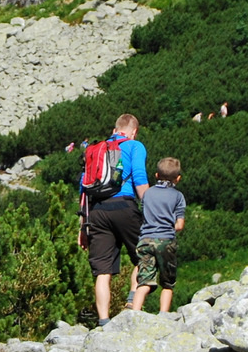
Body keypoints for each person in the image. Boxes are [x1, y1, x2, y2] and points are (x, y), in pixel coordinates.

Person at [78, 114, 148, 326]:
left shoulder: (95, 150)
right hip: (124, 205)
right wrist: (151, 207)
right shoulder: (134, 146)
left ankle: (103, 321)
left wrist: (82, 228)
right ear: (133, 131)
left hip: (97, 212)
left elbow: (84, 190)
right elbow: (139, 177)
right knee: (144, 255)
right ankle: (131, 302)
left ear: (114, 129)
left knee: (102, 270)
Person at [131, 157, 187, 314]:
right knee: (167, 282)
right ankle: (163, 314)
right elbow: (180, 225)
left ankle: (134, 313)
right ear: (178, 178)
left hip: (145, 240)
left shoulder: (147, 194)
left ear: (156, 175)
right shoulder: (178, 196)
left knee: (144, 281)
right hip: (166, 240)